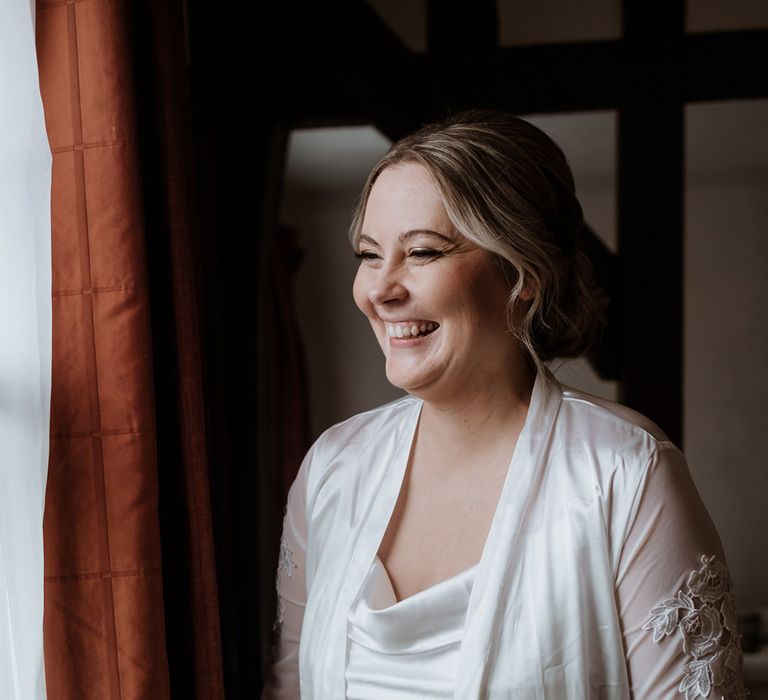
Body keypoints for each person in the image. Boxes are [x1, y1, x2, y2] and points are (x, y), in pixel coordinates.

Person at [261, 110, 746, 699]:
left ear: (524, 274)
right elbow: (287, 687)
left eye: (422, 252)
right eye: (368, 254)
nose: (380, 289)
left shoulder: (624, 473)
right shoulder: (331, 469)